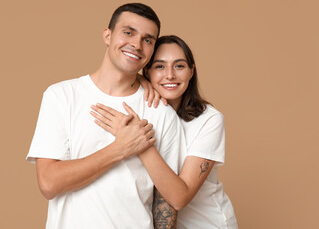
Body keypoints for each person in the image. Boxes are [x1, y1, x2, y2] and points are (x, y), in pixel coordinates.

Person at [26, 4, 186, 229]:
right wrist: (121, 148)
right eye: (128, 32)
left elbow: (166, 201)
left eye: (148, 40)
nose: (136, 44)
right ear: (107, 36)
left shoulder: (161, 112)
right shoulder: (61, 96)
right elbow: (48, 183)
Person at [91, 35, 239, 228]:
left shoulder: (209, 120)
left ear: (191, 71)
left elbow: (179, 197)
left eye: (179, 66)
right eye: (160, 66)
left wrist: (137, 141)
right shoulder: (144, 112)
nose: (170, 75)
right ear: (147, 72)